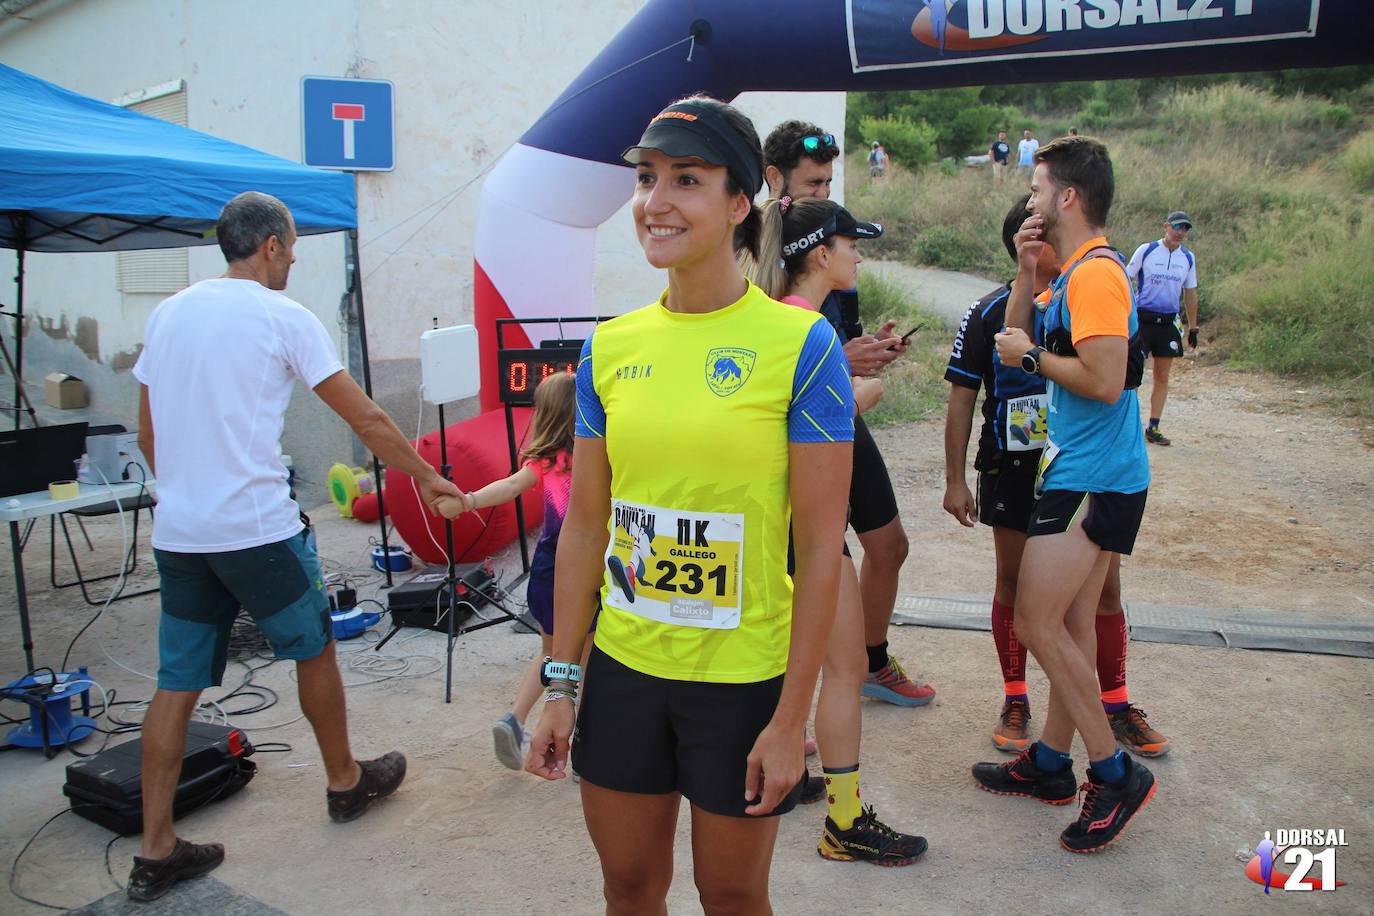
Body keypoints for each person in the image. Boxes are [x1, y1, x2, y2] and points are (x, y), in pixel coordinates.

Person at [523, 96, 855, 913]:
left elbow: (819, 553)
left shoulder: (801, 346)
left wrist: (792, 720)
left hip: (743, 685)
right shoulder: (610, 348)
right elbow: (585, 531)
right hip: (629, 674)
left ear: (740, 203)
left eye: (686, 180)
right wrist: (561, 681)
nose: (654, 201)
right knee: (630, 886)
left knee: (732, 896)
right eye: (645, 178)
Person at [128, 192, 460, 901]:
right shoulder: (283, 317)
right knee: (312, 649)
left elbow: (148, 435)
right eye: (293, 251)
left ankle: (155, 849)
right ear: (272, 246)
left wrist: (182, 496)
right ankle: (345, 781)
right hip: (257, 531)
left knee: (175, 684)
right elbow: (367, 418)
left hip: (180, 535)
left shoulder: (168, 313)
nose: (293, 264)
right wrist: (428, 476)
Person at [944, 195, 1170, 759]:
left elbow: (1115, 378)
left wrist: (1044, 358)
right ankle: (1021, 703)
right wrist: (954, 478)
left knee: (1092, 599)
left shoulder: (1095, 288)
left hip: (1084, 468)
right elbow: (962, 396)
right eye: (1032, 233)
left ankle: (1112, 705)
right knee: (1020, 590)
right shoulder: (1000, 306)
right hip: (1018, 464)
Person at [982, 136, 1156, 853]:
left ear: (1069, 198)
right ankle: (1051, 763)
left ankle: (1113, 773)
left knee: (1036, 622)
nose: (1030, 199)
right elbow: (1012, 334)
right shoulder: (1072, 271)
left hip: (1092, 477)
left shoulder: (1098, 277)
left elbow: (1106, 379)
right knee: (1073, 625)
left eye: (1038, 187)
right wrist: (1025, 267)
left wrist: (1034, 359)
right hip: (1089, 471)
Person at [749, 195, 927, 865]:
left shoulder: (771, 318)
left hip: (782, 525)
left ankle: (819, 801)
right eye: (852, 244)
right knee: (844, 668)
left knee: (817, 666)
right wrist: (862, 388)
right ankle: (844, 824)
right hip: (807, 532)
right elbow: (828, 412)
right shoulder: (810, 331)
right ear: (821, 254)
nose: (859, 256)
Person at [762, 119, 934, 708]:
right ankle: (791, 707)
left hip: (839, 419)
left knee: (890, 546)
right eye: (813, 183)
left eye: (829, 182)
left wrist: (871, 352)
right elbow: (763, 367)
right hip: (793, 436)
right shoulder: (751, 253)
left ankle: (870, 664)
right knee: (807, 572)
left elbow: (846, 350)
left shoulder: (829, 243)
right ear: (773, 180)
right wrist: (843, 364)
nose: (824, 195)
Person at [433, 372, 594, 770]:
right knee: (585, 659)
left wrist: (467, 501)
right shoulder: (596, 458)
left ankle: (515, 718)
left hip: (546, 567)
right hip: (582, 567)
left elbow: (507, 487)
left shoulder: (546, 461)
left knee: (551, 653)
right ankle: (584, 748)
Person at [1126, 210, 1199, 446]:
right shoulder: (1146, 250)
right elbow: (1125, 280)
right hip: (1142, 319)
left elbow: (1190, 293)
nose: (1181, 232)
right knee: (1134, 375)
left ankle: (1154, 427)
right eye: (1177, 226)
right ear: (1165, 226)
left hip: (1168, 322)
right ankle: (1129, 426)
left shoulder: (1188, 257)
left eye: (1185, 228)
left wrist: (1193, 328)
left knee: (1162, 375)